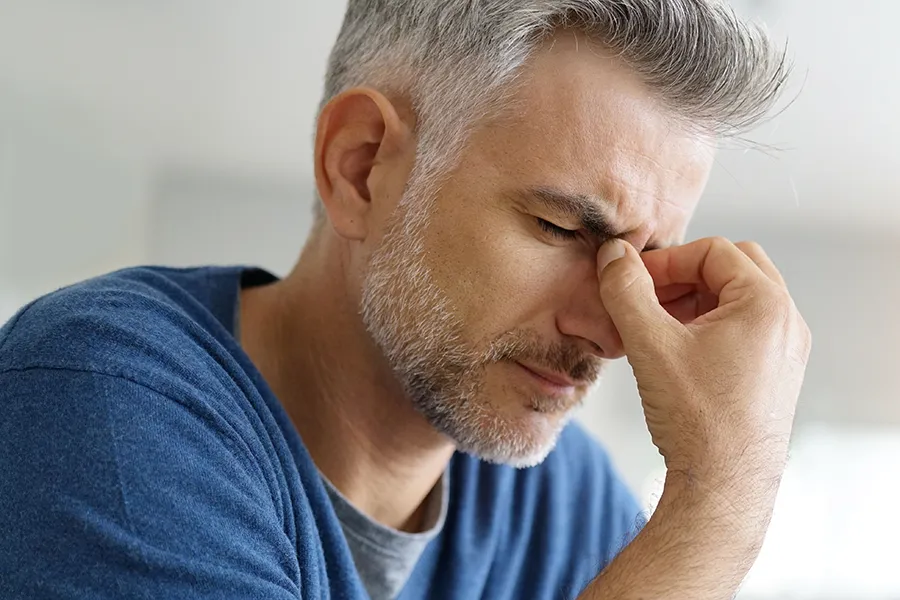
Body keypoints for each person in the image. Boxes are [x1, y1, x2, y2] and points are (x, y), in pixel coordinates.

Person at [0, 1, 812, 599]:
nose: (609, 332)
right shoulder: (98, 401)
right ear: (361, 168)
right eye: (560, 226)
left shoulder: (568, 507)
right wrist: (718, 497)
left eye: (646, 261)